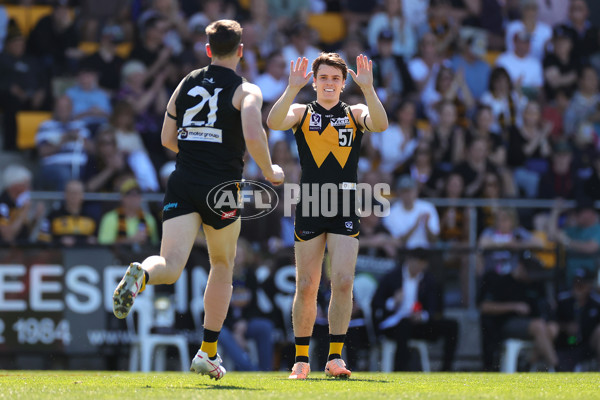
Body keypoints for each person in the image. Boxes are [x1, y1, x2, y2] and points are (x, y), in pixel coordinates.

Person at [111, 19, 284, 381]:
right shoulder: (246, 89)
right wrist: (269, 170)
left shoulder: (187, 81)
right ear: (240, 50)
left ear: (207, 50)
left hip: (183, 181)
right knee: (222, 264)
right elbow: (254, 132)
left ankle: (142, 273)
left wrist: (196, 148)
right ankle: (207, 352)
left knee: (171, 264)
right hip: (220, 187)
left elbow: (166, 137)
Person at [266, 52, 388, 379]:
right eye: (324, 78)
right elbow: (273, 122)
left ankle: (335, 357)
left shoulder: (355, 111)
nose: (330, 83)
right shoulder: (302, 111)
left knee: (344, 282)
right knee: (306, 284)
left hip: (345, 204)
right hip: (309, 203)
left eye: (336, 78)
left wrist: (369, 88)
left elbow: (381, 123)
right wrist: (292, 88)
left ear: (343, 83)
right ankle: (301, 359)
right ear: (315, 81)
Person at [371, 248, 459, 371]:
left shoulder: (428, 280)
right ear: (409, 260)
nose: (418, 267)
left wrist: (423, 315)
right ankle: (401, 369)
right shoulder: (392, 277)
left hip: (418, 324)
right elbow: (376, 303)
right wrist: (392, 302)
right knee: (404, 325)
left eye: (422, 264)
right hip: (394, 324)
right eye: (416, 262)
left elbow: (435, 307)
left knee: (452, 326)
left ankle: (446, 369)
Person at [479, 252, 559, 371]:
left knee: (552, 327)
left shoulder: (535, 284)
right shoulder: (503, 282)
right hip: (507, 323)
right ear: (520, 266)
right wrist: (514, 306)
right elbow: (485, 307)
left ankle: (528, 363)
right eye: (529, 272)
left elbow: (543, 308)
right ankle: (557, 367)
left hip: (534, 324)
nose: (532, 276)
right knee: (539, 326)